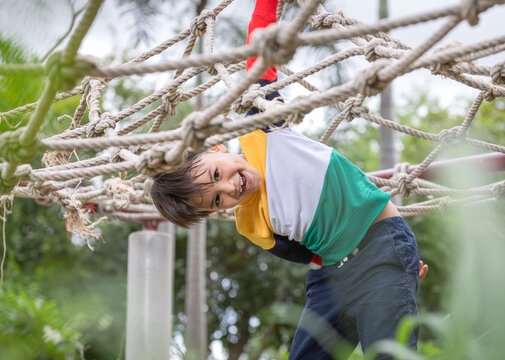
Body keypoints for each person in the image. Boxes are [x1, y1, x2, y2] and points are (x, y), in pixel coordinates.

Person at [151, 0, 427, 358]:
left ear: (218, 146)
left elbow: (259, 52)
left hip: (381, 245)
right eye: (217, 200)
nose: (228, 188)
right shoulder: (250, 224)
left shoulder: (260, 129)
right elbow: (306, 255)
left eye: (217, 174)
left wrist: (398, 271)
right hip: (332, 277)